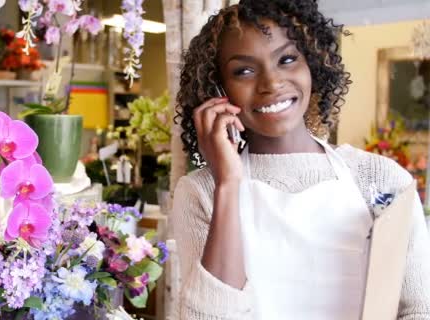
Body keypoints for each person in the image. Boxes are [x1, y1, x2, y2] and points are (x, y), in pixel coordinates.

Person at [172, 0, 430, 319]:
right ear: (217, 90)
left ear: (313, 64)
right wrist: (227, 184)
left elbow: (418, 309)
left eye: (287, 59)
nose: (271, 83)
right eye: (244, 70)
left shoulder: (382, 180)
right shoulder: (201, 192)